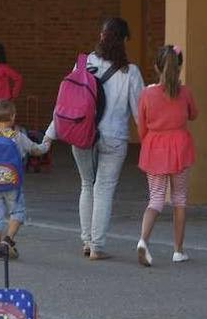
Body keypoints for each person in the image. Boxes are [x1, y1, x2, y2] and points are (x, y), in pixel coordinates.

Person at [47, 17, 145, 260]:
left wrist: (50, 134)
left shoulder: (83, 63)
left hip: (82, 134)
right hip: (114, 138)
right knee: (103, 189)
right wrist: (148, 142)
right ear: (124, 40)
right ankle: (98, 247)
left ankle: (87, 242)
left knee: (86, 185)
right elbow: (139, 113)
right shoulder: (130, 72)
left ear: (101, 36)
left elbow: (67, 102)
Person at [135, 46, 198, 267]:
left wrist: (149, 142)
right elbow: (194, 114)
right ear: (179, 67)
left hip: (155, 147)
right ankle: (178, 251)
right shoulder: (185, 92)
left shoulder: (147, 94)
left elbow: (141, 126)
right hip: (180, 147)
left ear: (155, 67)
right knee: (179, 199)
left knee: (156, 199)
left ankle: (143, 240)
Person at [0, 100, 51, 260]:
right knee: (18, 211)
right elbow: (36, 150)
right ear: (13, 117)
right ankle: (8, 240)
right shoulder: (18, 137)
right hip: (12, 183)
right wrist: (47, 143)